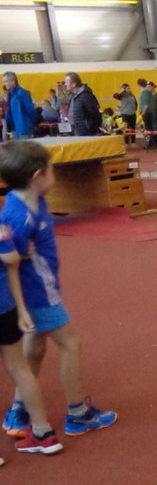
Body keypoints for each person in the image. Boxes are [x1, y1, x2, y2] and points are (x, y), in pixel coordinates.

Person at [0, 140, 117, 444]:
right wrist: (20, 253)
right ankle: (78, 413)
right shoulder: (18, 216)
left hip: (42, 285)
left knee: (35, 347)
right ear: (38, 176)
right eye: (52, 171)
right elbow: (9, 258)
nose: (55, 176)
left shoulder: (32, 200)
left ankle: (18, 411)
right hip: (37, 291)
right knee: (71, 343)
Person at [0, 141, 64, 455]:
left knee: (22, 366)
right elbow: (12, 261)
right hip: (8, 305)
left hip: (8, 306)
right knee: (21, 368)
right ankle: (42, 430)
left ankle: (33, 427)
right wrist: (22, 309)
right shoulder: (6, 224)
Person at [63, 73, 101, 137]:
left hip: (85, 132)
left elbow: (94, 112)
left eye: (66, 82)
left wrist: (89, 127)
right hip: (76, 130)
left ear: (74, 84)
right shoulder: (72, 96)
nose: (65, 84)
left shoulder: (85, 95)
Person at [2, 73, 37, 141]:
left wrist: (29, 124)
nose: (4, 84)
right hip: (15, 130)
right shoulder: (10, 94)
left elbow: (31, 110)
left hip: (24, 129)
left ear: (13, 81)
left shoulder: (21, 93)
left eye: (6, 81)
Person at [142, 81, 157, 148]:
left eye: (149, 87)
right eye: (147, 87)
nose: (148, 88)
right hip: (150, 116)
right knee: (150, 129)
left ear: (153, 87)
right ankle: (152, 142)